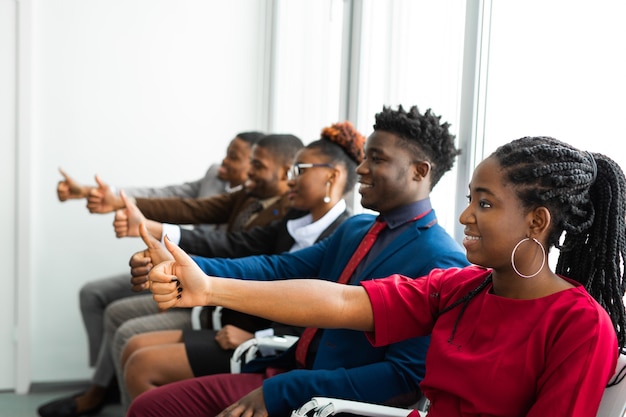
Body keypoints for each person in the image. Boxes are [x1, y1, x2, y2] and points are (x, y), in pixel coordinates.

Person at [146, 136, 626, 417]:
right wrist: (207, 288)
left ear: (537, 222)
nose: (465, 218)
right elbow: (340, 302)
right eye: (469, 200)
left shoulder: (579, 326)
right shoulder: (459, 288)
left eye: (485, 203)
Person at [128, 105, 470, 417]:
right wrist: (186, 267)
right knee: (151, 406)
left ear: (419, 171)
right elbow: (276, 269)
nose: (361, 168)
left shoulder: (442, 259)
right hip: (290, 375)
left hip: (328, 404)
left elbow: (403, 379)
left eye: (376, 159)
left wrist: (282, 391)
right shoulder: (358, 229)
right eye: (365, 157)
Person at [37, 132, 301, 417]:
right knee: (113, 313)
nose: (245, 168)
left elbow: (244, 257)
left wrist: (259, 336)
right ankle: (105, 388)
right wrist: (134, 215)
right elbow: (184, 205)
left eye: (254, 163)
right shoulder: (247, 194)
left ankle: (109, 393)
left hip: (221, 305)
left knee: (131, 339)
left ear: (287, 172)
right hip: (198, 285)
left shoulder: (291, 214)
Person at [119, 121, 366, 404]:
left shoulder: (345, 234)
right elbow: (244, 253)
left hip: (272, 344)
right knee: (134, 349)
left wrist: (259, 336)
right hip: (245, 328)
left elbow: (323, 310)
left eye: (299, 170)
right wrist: (170, 252)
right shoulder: (294, 220)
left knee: (142, 364)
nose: (291, 179)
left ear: (332, 177)